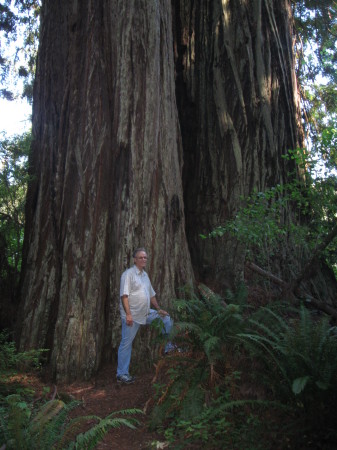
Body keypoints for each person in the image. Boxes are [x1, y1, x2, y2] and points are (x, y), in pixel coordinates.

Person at [116, 247, 173, 384]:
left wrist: (158, 309)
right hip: (133, 316)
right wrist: (128, 315)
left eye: (145, 257)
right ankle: (122, 374)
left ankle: (168, 347)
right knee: (126, 343)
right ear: (135, 259)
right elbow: (124, 296)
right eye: (140, 257)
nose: (143, 259)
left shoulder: (144, 275)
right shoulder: (128, 275)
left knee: (166, 319)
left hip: (146, 313)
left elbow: (151, 295)